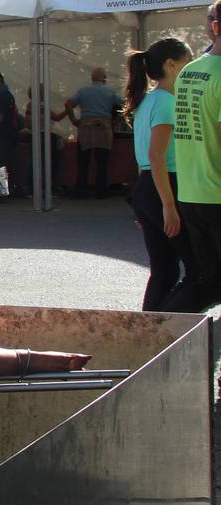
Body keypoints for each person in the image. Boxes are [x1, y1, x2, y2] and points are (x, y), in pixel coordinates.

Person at [123, 39, 198, 311]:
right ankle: (171, 324)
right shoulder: (166, 102)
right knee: (198, 269)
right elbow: (156, 156)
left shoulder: (148, 99)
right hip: (163, 186)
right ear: (171, 64)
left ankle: (150, 325)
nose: (190, 68)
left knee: (164, 269)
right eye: (188, 62)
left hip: (148, 186)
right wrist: (168, 205)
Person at [171, 0, 221, 311]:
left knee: (209, 278)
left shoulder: (189, 71)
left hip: (191, 192)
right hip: (216, 192)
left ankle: (169, 326)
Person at [66, 66, 124, 199]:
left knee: (83, 161)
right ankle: (101, 191)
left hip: (86, 127)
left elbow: (68, 104)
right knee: (102, 162)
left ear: (92, 78)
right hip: (104, 127)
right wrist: (116, 121)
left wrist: (74, 120)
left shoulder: (83, 91)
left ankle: (81, 190)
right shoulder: (110, 92)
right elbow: (125, 105)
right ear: (104, 78)